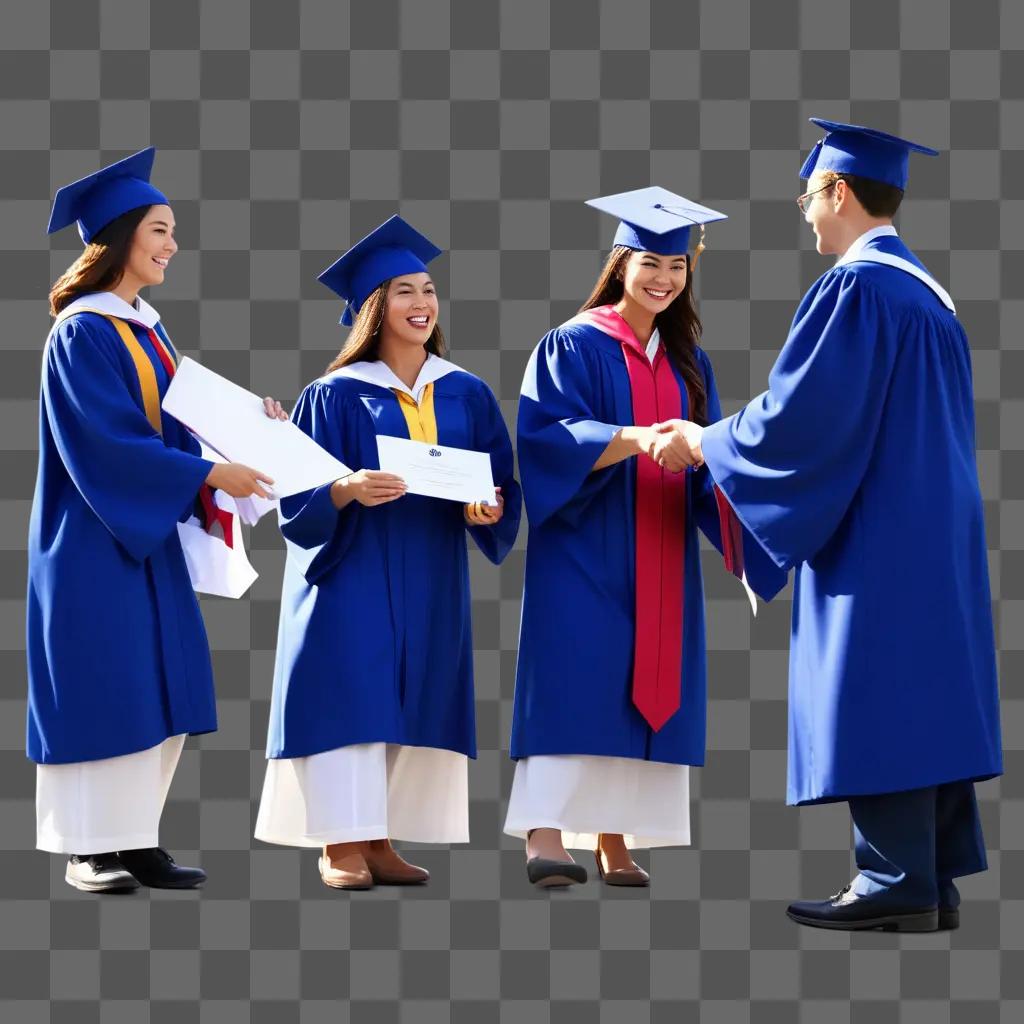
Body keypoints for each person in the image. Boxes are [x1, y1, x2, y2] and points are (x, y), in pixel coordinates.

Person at [681, 120, 1003, 931]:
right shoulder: (929, 294)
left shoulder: (857, 289)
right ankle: (932, 880)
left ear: (841, 192)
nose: (805, 215)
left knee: (881, 687)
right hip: (939, 523)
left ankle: (892, 880)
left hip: (881, 527)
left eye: (807, 198)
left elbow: (803, 418)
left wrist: (706, 441)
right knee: (927, 687)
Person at [504, 187, 787, 887]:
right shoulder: (571, 343)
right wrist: (636, 439)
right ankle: (544, 832)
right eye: (651, 263)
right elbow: (546, 439)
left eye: (678, 266)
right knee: (576, 679)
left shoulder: (691, 360)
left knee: (644, 685)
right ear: (620, 262)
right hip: (586, 545)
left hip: (661, 546)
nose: (664, 278)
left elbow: (713, 458)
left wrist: (758, 522)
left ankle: (613, 835)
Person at [31, 147, 285, 893]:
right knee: (100, 686)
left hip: (148, 540)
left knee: (156, 687)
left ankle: (135, 838)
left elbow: (181, 426)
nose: (173, 245)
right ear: (117, 236)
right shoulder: (83, 333)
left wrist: (252, 432)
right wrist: (209, 472)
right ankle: (87, 846)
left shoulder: (148, 331)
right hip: (93, 540)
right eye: (161, 230)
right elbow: (109, 445)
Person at [254, 215, 521, 889]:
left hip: (430, 567)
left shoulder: (465, 390)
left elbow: (500, 480)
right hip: (353, 570)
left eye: (428, 290)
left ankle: (378, 837)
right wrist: (344, 488)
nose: (422, 304)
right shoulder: (334, 395)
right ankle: (339, 841)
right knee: (352, 694)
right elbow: (298, 494)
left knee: (411, 695)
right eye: (404, 291)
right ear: (373, 308)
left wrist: (486, 507)